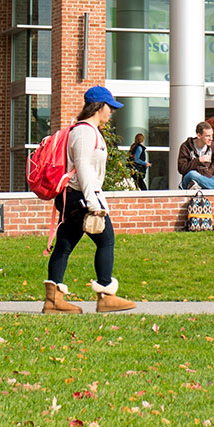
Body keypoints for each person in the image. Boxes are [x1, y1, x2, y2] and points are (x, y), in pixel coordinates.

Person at [43, 86, 135, 314]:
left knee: (64, 246)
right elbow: (83, 167)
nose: (111, 112)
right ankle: (106, 295)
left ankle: (53, 301)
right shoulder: (85, 132)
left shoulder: (86, 130)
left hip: (74, 197)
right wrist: (94, 204)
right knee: (106, 241)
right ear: (99, 107)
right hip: (83, 198)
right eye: (109, 107)